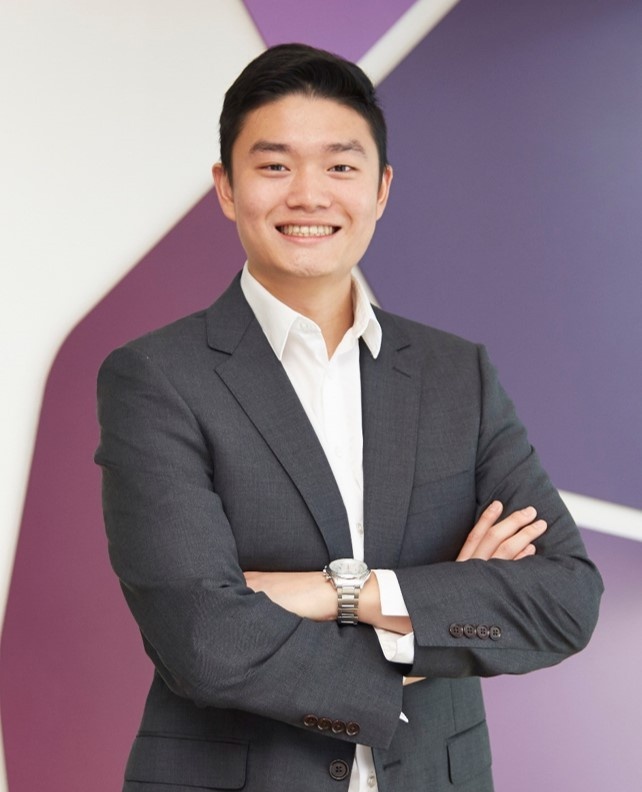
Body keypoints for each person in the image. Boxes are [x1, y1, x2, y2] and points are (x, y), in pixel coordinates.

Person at [95, 43, 602, 792]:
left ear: (381, 187)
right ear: (227, 188)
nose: (309, 195)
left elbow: (563, 601)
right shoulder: (157, 378)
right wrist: (432, 607)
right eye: (274, 166)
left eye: (340, 166)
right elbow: (202, 637)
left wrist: (341, 592)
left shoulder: (454, 374)